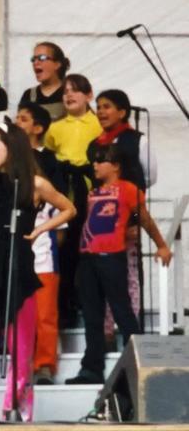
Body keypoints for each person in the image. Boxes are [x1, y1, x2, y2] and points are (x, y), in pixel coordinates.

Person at [0, 123, 74, 422]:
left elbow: (68, 208)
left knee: (20, 353)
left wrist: (41, 229)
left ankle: (16, 415)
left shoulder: (34, 184)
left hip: (18, 268)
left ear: (11, 146)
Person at [65, 144, 171, 384]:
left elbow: (144, 219)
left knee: (121, 309)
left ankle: (140, 364)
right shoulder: (94, 192)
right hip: (88, 256)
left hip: (112, 256)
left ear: (116, 166)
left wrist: (161, 245)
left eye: (101, 160)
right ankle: (91, 369)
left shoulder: (128, 189)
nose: (95, 164)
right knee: (92, 316)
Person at [87, 89, 157, 340]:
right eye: (98, 106)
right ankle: (105, 334)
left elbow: (148, 177)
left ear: (122, 112)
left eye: (107, 106)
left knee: (128, 276)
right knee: (102, 280)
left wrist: (134, 219)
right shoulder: (94, 145)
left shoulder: (137, 139)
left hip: (128, 217)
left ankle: (131, 334)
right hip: (101, 223)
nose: (101, 112)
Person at [44, 73, 102, 327]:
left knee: (90, 252)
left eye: (75, 90)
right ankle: (65, 308)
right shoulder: (55, 128)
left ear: (89, 95)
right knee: (66, 252)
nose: (68, 95)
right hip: (65, 197)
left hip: (92, 195)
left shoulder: (98, 124)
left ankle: (93, 308)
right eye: (65, 91)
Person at [15, 103, 66, 385]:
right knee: (21, 317)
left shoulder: (48, 192)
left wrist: (47, 240)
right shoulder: (10, 191)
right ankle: (21, 364)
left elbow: (61, 226)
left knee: (45, 315)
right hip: (20, 262)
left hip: (45, 260)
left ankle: (45, 364)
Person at [18, 42, 69, 121]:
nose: (36, 63)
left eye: (42, 58)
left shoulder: (69, 92)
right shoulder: (28, 95)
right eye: (33, 59)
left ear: (57, 64)